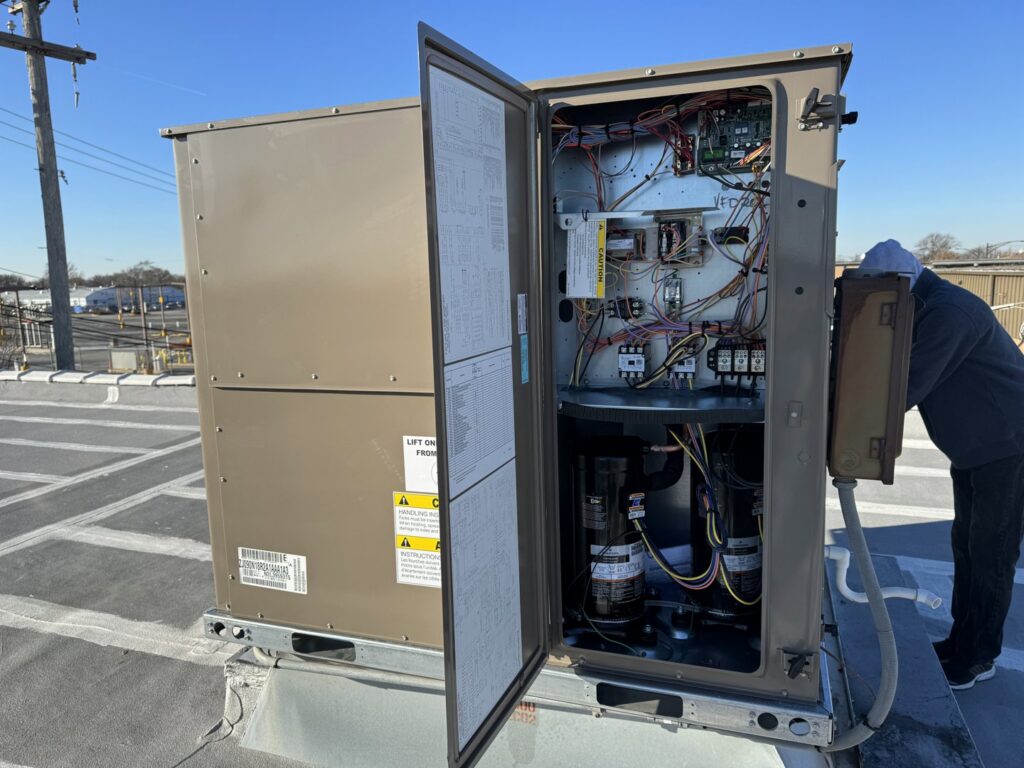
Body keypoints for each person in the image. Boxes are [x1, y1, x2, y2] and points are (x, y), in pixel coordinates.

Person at [859, 240, 1024, 690]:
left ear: (903, 285)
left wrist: (847, 421)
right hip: (975, 449)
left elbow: (906, 386)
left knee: (991, 555)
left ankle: (977, 657)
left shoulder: (949, 314)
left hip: (1008, 448)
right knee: (966, 548)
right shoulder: (927, 306)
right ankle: (959, 642)